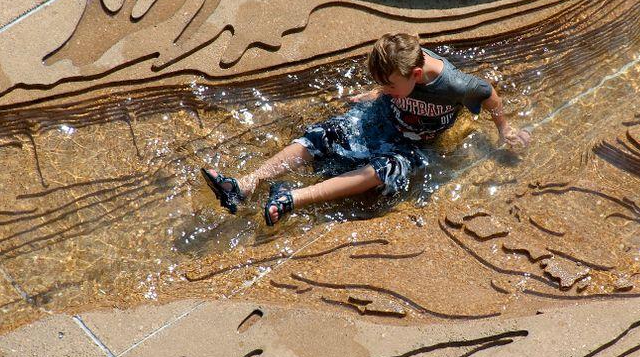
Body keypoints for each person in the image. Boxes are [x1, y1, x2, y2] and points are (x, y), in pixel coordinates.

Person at [202, 33, 530, 226]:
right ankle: (247, 184)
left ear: (417, 74)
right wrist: (379, 93)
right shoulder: (399, 70)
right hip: (383, 118)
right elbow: (391, 81)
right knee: (325, 133)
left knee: (384, 171)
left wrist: (505, 128)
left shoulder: (454, 84)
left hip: (414, 144)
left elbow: (488, 93)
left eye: (388, 84)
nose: (384, 87)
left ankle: (291, 200)